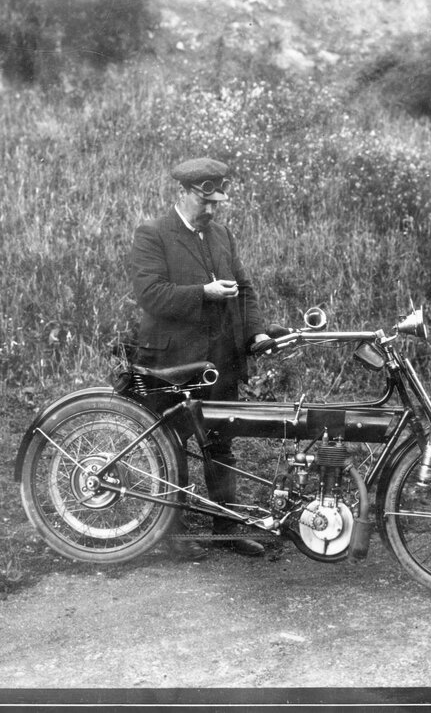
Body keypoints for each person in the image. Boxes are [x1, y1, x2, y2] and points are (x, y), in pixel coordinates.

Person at [129, 157, 271, 560]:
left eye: (217, 204)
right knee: (172, 445)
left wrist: (255, 331)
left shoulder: (222, 234)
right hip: (172, 364)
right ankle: (172, 536)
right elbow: (151, 295)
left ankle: (226, 530)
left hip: (220, 361)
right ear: (183, 193)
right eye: (204, 202)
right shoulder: (153, 233)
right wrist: (203, 293)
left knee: (221, 445)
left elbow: (244, 289)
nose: (211, 211)